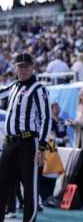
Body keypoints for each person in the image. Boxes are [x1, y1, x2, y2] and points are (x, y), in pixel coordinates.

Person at [0, 53, 51, 222]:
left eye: (26, 66)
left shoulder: (38, 89)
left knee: (29, 189)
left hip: (28, 144)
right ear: (15, 68)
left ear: (32, 67)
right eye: (20, 66)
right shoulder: (13, 86)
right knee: (2, 185)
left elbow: (46, 118)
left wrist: (42, 147)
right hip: (10, 143)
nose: (23, 70)